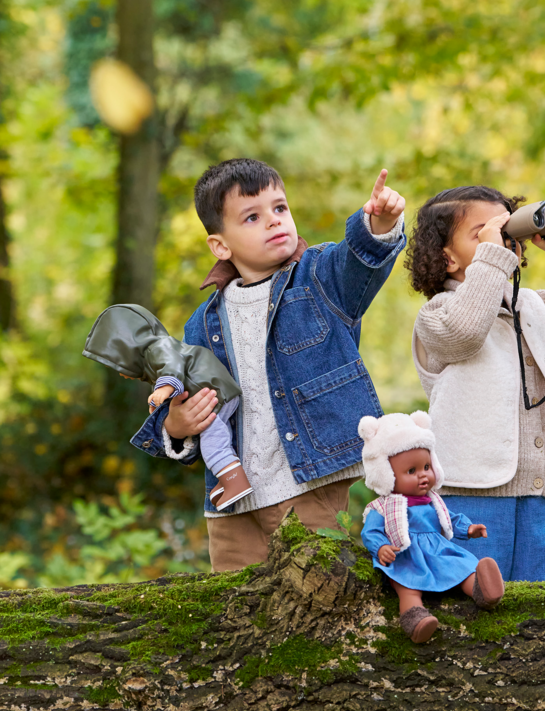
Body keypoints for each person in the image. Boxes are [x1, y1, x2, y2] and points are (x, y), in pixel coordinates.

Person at [130, 158, 406, 571]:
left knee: (318, 588)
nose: (274, 221)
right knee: (235, 602)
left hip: (309, 483)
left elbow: (359, 264)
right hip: (230, 505)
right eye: (252, 217)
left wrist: (379, 225)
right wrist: (175, 426)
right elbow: (187, 395)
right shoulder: (202, 324)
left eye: (279, 208)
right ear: (220, 246)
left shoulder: (319, 279)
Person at [406, 186, 545, 582]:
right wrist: (493, 259)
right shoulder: (437, 315)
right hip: (470, 493)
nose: (502, 240)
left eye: (506, 230)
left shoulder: (535, 308)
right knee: (475, 601)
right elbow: (466, 332)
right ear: (447, 257)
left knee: (542, 605)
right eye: (483, 233)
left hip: (544, 492)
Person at [84, 304, 253, 510]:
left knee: (212, 444)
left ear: (129, 348)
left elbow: (171, 366)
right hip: (214, 391)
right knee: (220, 436)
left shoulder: (158, 347)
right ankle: (226, 477)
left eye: (120, 364)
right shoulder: (156, 357)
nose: (121, 373)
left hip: (212, 393)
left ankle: (235, 480)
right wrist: (160, 404)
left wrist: (163, 389)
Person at [359, 411, 505, 644]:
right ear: (386, 475)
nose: (423, 476)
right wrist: (381, 547)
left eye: (426, 466)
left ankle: (481, 590)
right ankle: (415, 618)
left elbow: (449, 519)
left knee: (461, 568)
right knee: (407, 587)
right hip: (406, 555)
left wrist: (468, 529)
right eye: (411, 471)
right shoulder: (382, 506)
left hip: (438, 551)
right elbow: (371, 531)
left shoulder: (432, 500)